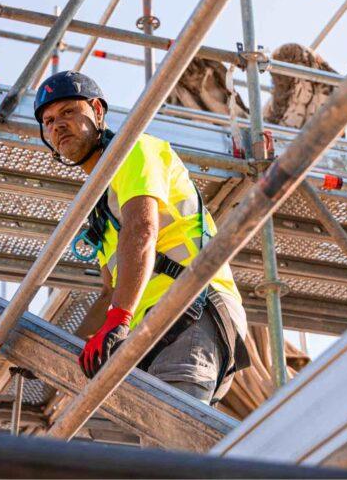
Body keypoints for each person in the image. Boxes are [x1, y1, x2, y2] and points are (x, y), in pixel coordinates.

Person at [32, 70, 250, 404]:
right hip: (153, 329)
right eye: (47, 121)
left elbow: (142, 229)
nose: (57, 126)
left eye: (68, 112)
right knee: (155, 449)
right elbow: (110, 291)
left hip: (189, 309)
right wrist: (57, 351)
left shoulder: (132, 150)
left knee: (172, 444)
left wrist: (119, 319)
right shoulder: (101, 205)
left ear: (97, 111)